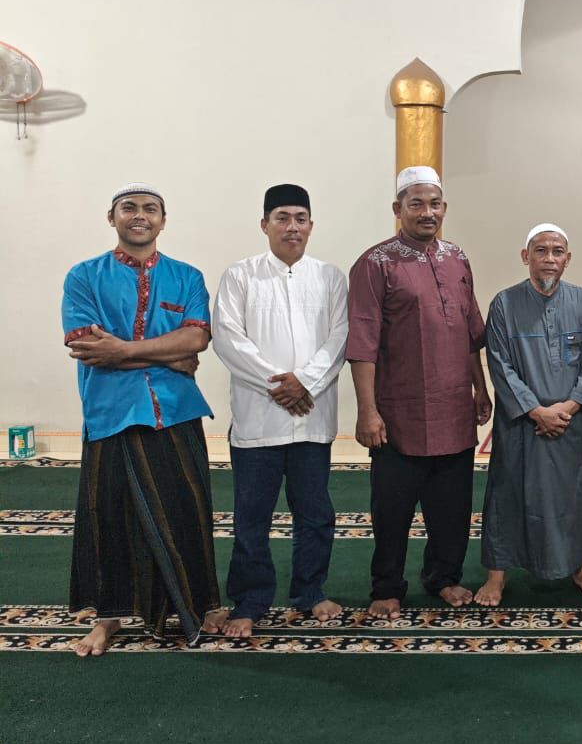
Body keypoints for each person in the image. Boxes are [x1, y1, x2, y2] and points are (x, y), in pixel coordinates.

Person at [61, 183, 220, 656]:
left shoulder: (187, 276)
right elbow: (86, 345)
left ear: (163, 221)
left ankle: (195, 606)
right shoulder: (84, 276)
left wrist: (124, 351)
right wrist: (167, 354)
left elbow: (196, 340)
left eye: (150, 209)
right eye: (128, 208)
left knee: (187, 512)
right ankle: (108, 618)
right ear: (111, 218)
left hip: (176, 411)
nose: (139, 215)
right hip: (110, 412)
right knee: (109, 517)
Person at [346, 166, 492, 618]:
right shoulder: (375, 263)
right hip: (399, 412)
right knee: (392, 509)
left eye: (434, 204)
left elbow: (470, 331)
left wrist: (480, 388)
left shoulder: (457, 258)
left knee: (452, 506)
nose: (427, 212)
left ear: (444, 208)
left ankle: (443, 577)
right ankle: (387, 586)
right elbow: (362, 341)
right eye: (416, 204)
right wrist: (367, 411)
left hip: (454, 406)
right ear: (398, 209)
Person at [207, 184, 348, 637]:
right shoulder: (240, 276)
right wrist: (283, 384)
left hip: (311, 418)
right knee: (252, 517)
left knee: (315, 514)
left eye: (300, 218)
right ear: (264, 224)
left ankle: (310, 591)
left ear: (311, 225)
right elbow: (228, 339)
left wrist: (305, 382)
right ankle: (250, 600)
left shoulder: (330, 277)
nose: (292, 226)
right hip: (259, 420)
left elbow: (340, 338)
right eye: (282, 217)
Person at [476, 224, 582, 607]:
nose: (549, 258)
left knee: (574, 496)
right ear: (525, 256)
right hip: (521, 422)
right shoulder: (504, 304)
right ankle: (496, 575)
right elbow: (499, 364)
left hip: (570, 422)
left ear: (568, 258)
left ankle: (579, 569)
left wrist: (568, 407)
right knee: (508, 493)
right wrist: (535, 411)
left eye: (557, 251)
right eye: (540, 250)